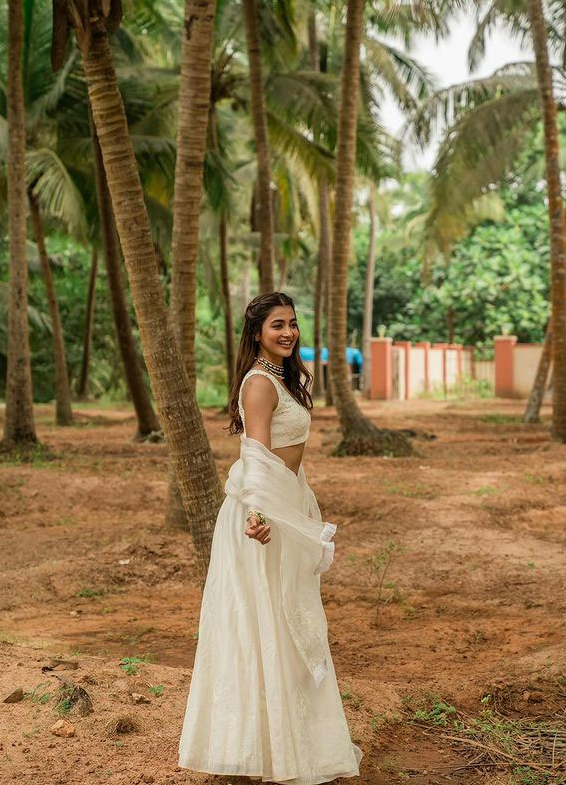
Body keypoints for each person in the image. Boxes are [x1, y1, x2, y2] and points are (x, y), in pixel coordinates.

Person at [178, 292, 362, 784]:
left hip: (285, 504)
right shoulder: (259, 383)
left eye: (292, 323)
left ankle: (289, 740)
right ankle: (258, 747)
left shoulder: (287, 378)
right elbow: (257, 454)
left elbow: (288, 454)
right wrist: (259, 514)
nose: (288, 332)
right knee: (263, 619)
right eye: (277, 325)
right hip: (261, 516)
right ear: (257, 332)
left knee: (286, 617)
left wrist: (296, 508)